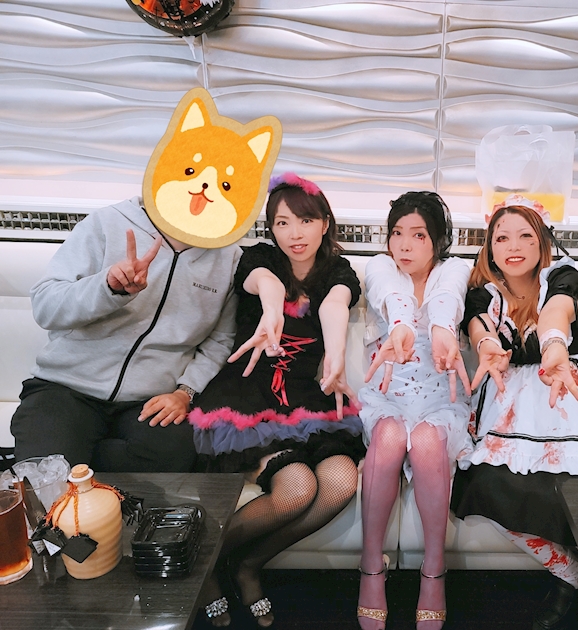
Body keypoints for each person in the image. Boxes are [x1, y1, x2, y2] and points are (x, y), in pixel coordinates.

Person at [451, 201, 578, 630]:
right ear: (489, 248)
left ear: (542, 242)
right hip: (511, 406)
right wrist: (487, 346)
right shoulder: (483, 294)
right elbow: (478, 327)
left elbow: (556, 312)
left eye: (525, 235)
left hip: (574, 396)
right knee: (479, 485)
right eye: (502, 237)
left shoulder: (564, 278)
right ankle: (570, 570)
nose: (513, 246)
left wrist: (555, 346)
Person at [188, 174, 365, 627]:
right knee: (297, 489)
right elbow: (264, 283)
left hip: (307, 398)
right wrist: (271, 312)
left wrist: (336, 356)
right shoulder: (260, 258)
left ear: (324, 223)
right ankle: (203, 564)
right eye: (282, 223)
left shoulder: (338, 271)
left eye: (305, 221)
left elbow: (335, 305)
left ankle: (249, 564)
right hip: (248, 396)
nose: (294, 234)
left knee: (341, 483)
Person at [11, 197, 240, 472]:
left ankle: (83, 468)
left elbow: (220, 341)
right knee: (48, 477)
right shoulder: (108, 222)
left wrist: (185, 392)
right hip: (66, 388)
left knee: (179, 453)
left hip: (149, 400)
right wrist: (107, 287)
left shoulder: (229, 257)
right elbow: (46, 307)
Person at [356, 191, 472, 630]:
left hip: (440, 397)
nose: (404, 245)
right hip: (388, 394)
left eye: (419, 235)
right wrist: (402, 326)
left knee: (425, 442)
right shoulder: (380, 266)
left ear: (437, 240)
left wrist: (442, 331)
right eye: (397, 233)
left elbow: (448, 300)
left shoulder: (454, 270)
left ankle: (434, 571)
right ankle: (371, 567)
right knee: (388, 438)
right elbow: (390, 295)